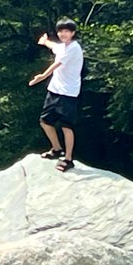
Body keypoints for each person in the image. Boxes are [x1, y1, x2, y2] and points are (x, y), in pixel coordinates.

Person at [29, 17, 84, 172]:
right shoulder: (63, 47)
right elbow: (53, 46)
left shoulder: (74, 48)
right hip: (55, 90)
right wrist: (45, 41)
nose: (63, 34)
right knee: (45, 121)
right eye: (61, 31)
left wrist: (42, 76)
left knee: (67, 126)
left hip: (69, 93)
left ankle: (68, 158)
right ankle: (56, 149)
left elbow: (57, 63)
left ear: (73, 33)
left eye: (67, 31)